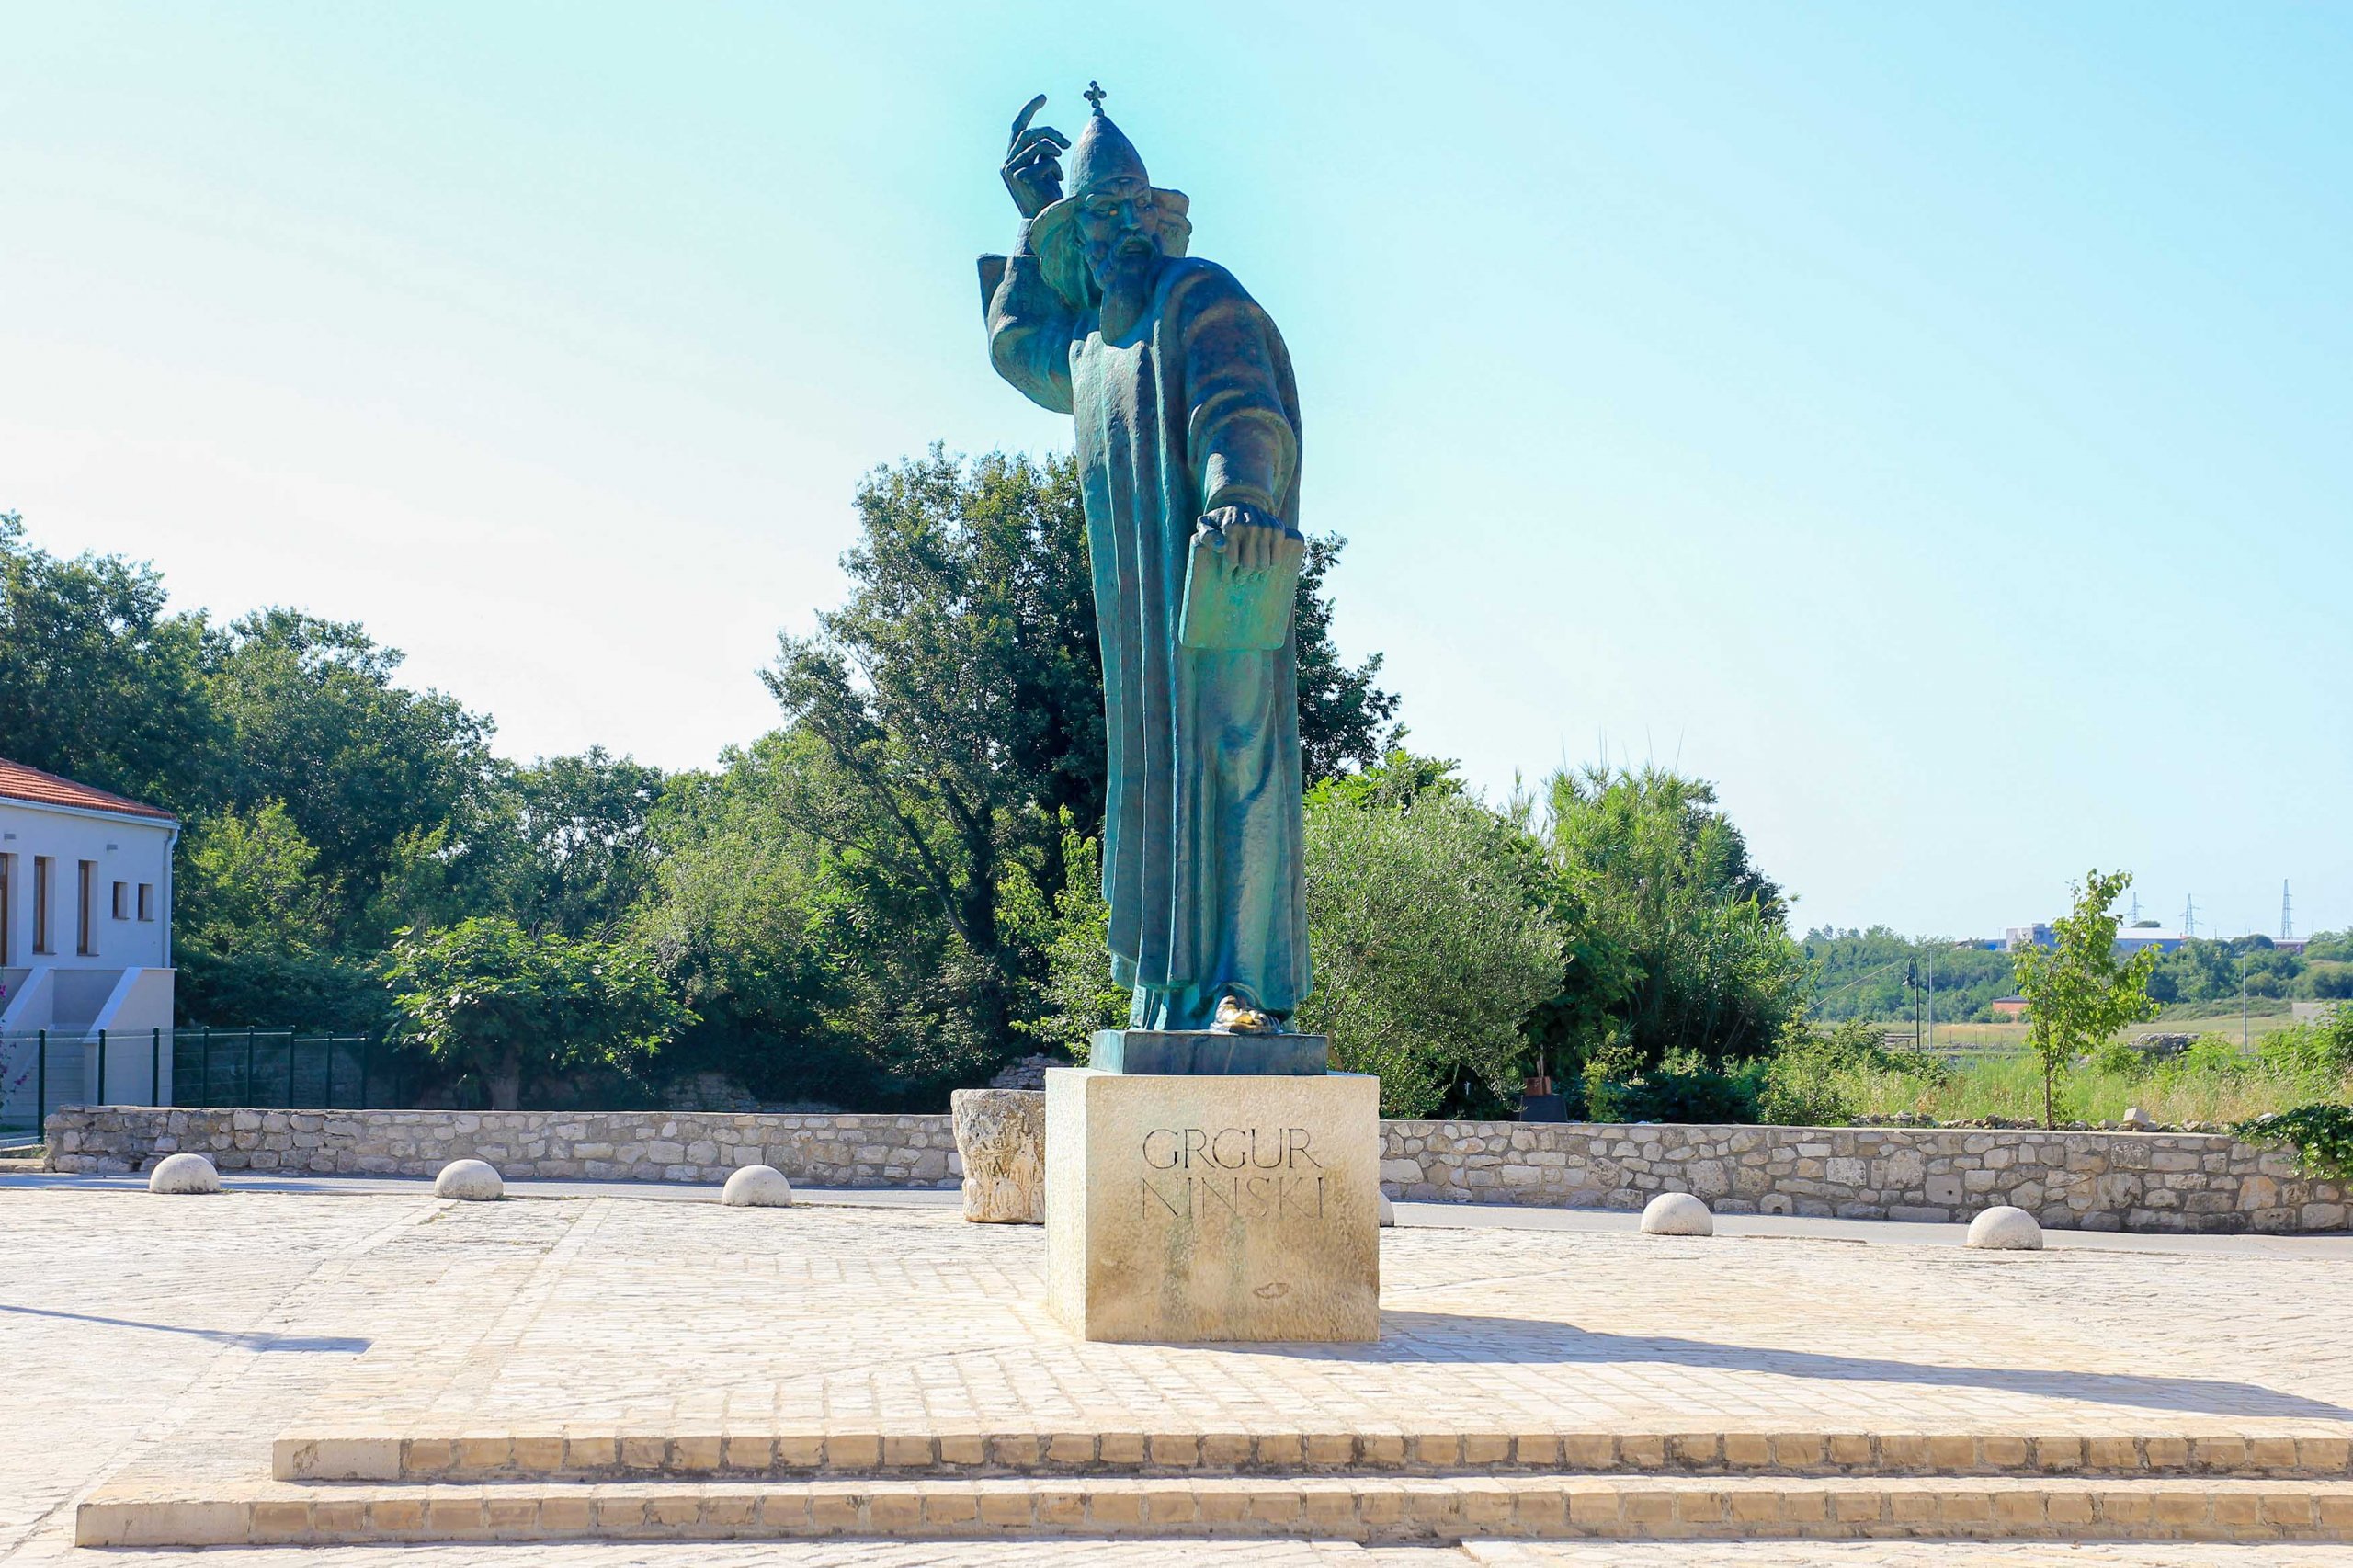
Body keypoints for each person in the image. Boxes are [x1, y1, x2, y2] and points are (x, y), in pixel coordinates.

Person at [978, 86, 1310, 1036]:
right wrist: (1027, 221)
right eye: (1098, 214)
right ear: (1074, 240)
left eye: (1134, 207)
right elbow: (1015, 347)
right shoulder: (1091, 349)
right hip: (1143, 622)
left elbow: (1239, 403)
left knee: (1236, 752)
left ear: (1157, 217)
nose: (1122, 227)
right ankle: (1172, 992)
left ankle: (1243, 982)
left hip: (1223, 566)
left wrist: (1238, 494)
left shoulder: (1197, 292)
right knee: (1161, 779)